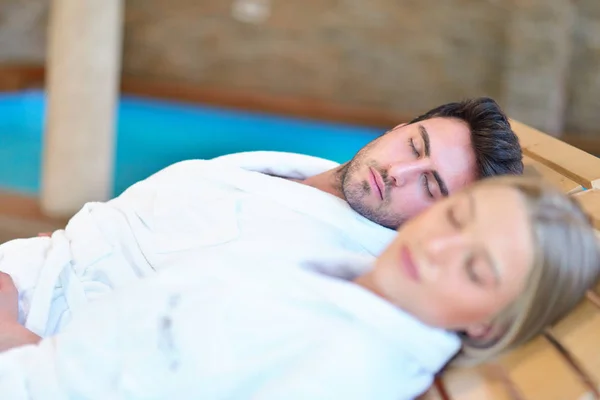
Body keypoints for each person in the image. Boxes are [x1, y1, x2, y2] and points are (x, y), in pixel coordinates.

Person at [0, 176, 597, 400]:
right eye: (455, 219)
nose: (438, 248)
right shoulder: (339, 275)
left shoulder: (347, 368)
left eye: (476, 269)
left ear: (486, 324)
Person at [0, 97, 522, 338]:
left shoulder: (339, 270)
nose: (402, 171)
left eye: (431, 184)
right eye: (416, 145)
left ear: (443, 217)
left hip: (37, 333)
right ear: (399, 126)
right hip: (28, 272)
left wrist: (11, 329)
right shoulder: (297, 172)